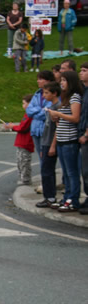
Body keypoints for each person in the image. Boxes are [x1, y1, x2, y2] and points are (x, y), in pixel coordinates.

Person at [47, 70, 83, 212]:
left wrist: (59, 114)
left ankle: (73, 199)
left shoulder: (75, 98)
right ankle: (66, 196)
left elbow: (75, 118)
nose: (61, 83)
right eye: (61, 80)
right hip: (62, 138)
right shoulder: (65, 98)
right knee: (66, 172)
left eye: (64, 80)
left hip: (70, 139)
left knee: (72, 172)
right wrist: (56, 118)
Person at [35, 81, 61, 208]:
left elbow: (58, 128)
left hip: (51, 142)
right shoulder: (50, 107)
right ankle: (48, 196)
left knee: (48, 171)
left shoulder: (57, 108)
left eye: (46, 93)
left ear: (54, 93)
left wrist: (52, 145)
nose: (44, 96)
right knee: (45, 170)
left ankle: (50, 197)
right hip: (45, 142)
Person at [3, 94, 35, 185]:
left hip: (26, 142)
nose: (23, 105)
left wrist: (12, 127)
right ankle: (22, 177)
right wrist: (13, 126)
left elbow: (23, 128)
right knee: (20, 161)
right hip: (21, 142)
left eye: (24, 103)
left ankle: (26, 179)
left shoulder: (30, 115)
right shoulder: (27, 114)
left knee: (24, 161)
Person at [26, 70, 55, 160]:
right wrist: (40, 110)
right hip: (35, 130)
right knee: (40, 156)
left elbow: (47, 112)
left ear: (48, 81)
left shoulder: (52, 95)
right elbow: (29, 110)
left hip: (45, 129)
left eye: (41, 79)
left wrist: (36, 112)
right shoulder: (37, 93)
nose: (38, 81)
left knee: (46, 157)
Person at [78, 62, 88, 214]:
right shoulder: (84, 91)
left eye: (85, 70)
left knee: (87, 169)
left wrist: (86, 134)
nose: (81, 73)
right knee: (84, 170)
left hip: (87, 135)